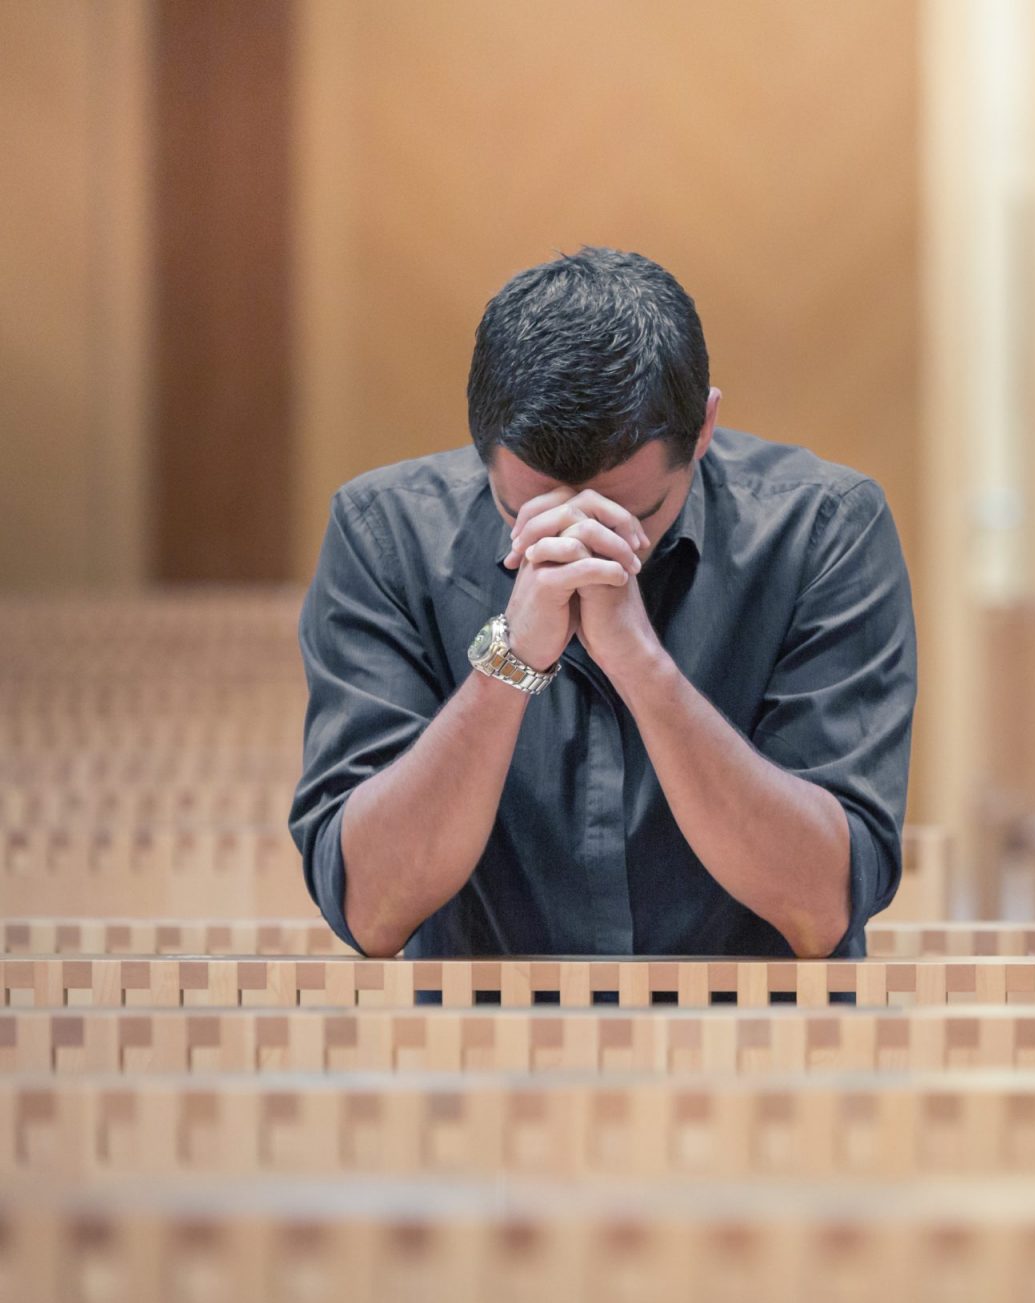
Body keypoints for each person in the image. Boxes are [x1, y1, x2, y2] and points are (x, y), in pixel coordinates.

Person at [288, 247, 916, 959]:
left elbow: (821, 905)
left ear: (704, 428)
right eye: (531, 515)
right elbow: (372, 908)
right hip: (477, 1057)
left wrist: (640, 664)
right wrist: (510, 659)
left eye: (628, 519)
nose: (579, 550)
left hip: (759, 1053)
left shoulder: (824, 529)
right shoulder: (386, 535)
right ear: (481, 445)